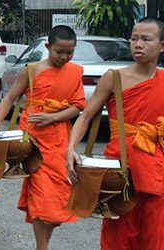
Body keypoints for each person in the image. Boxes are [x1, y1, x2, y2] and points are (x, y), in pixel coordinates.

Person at [66, 17, 164, 250]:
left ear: (161, 45)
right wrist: (70, 149)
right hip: (120, 171)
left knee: (155, 239)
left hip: (157, 170)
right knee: (117, 240)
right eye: (134, 38)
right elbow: (86, 116)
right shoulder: (114, 77)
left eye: (146, 39)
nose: (138, 44)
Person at [0, 25, 86, 250]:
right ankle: (42, 246)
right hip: (33, 143)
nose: (64, 57)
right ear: (48, 46)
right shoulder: (31, 71)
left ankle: (43, 244)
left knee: (57, 196)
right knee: (42, 196)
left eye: (69, 52)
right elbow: (10, 97)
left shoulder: (75, 72)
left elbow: (78, 106)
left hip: (59, 140)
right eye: (59, 51)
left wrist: (53, 118)